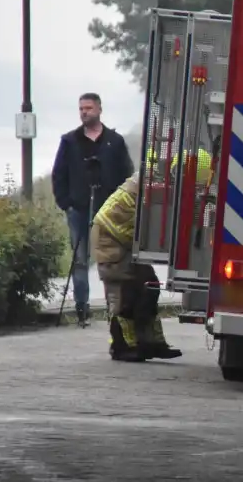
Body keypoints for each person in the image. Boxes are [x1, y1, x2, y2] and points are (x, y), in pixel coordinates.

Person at [51, 93, 135, 326]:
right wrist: (66, 203)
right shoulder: (69, 141)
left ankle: (116, 309)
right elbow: (59, 174)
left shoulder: (114, 142)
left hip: (108, 213)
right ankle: (82, 310)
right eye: (81, 108)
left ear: (99, 109)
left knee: (112, 260)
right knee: (80, 260)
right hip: (78, 209)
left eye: (88, 107)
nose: (84, 112)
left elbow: (127, 175)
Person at [91, 172, 183, 362]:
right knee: (124, 294)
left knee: (150, 286)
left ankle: (151, 342)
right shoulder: (151, 188)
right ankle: (122, 346)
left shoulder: (152, 184)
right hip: (110, 239)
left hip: (124, 240)